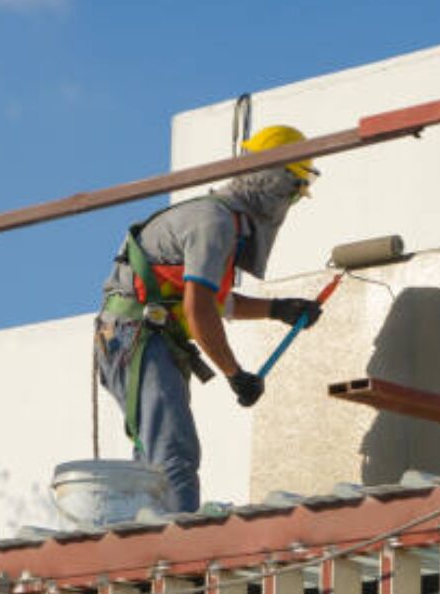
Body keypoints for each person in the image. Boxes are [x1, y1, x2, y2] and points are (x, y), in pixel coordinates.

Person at [95, 125, 322, 513]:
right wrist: (234, 374)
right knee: (172, 453)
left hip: (140, 335)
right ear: (274, 181)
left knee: (156, 454)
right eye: (293, 190)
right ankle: (179, 557)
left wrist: (276, 308)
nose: (292, 202)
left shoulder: (221, 224)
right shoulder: (214, 223)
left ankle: (151, 537)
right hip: (137, 334)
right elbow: (197, 310)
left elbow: (211, 301)